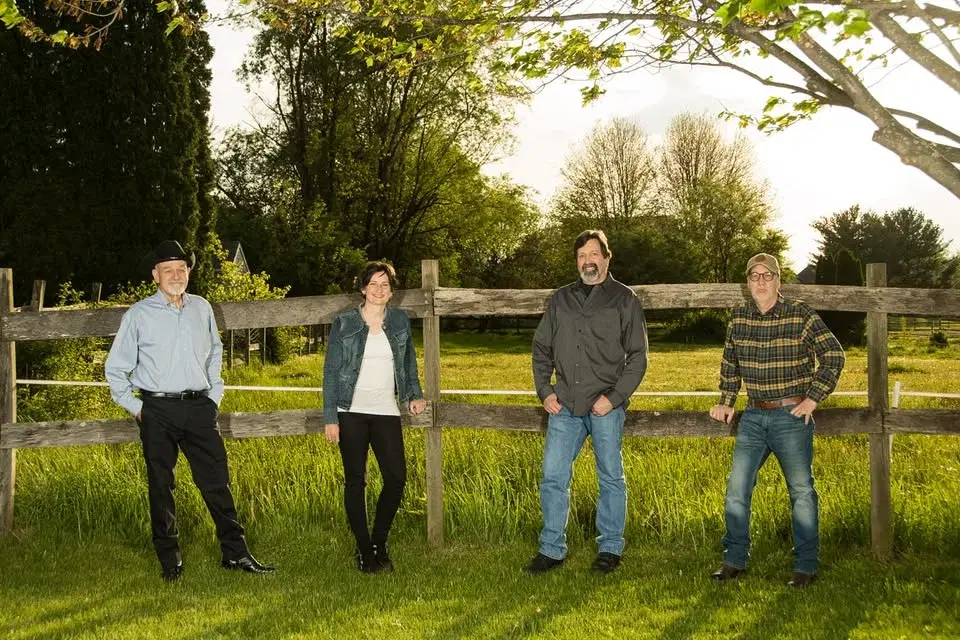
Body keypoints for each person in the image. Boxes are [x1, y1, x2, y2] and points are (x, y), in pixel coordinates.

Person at [105, 240, 274, 582]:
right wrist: (139, 409)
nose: (176, 275)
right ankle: (170, 561)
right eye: (168, 269)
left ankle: (236, 554)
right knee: (161, 486)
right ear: (156, 275)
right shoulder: (138, 315)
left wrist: (214, 397)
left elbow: (214, 352)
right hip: (157, 409)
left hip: (199, 407)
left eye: (182, 268)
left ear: (189, 273)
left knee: (216, 483)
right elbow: (114, 370)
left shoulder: (201, 307)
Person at [708, 252, 845, 588]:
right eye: (754, 276)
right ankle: (735, 559)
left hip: (790, 414)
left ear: (778, 280)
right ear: (747, 282)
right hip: (753, 415)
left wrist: (813, 398)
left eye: (767, 275)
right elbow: (730, 365)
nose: (760, 282)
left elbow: (834, 355)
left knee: (800, 491)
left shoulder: (801, 314)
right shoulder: (739, 316)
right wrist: (727, 402)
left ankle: (806, 565)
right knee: (737, 490)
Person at [526, 230, 648, 575]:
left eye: (594, 254)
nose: (588, 261)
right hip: (564, 403)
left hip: (605, 404)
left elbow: (638, 356)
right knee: (553, 476)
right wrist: (545, 391)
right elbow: (541, 348)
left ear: (607, 259)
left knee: (610, 476)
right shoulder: (560, 299)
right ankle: (551, 549)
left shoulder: (625, 300)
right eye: (581, 255)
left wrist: (614, 398)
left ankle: (610, 549)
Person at [323, 261, 427, 573]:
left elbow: (408, 361)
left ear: (391, 290)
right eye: (373, 284)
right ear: (363, 288)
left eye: (385, 284)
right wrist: (330, 417)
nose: (379, 289)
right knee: (356, 481)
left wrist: (414, 394)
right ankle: (363, 549)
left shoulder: (399, 320)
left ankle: (378, 542)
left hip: (386, 410)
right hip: (350, 411)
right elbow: (330, 372)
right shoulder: (344, 322)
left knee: (396, 478)